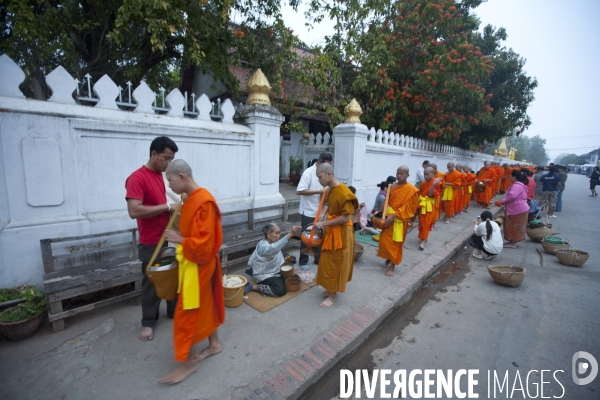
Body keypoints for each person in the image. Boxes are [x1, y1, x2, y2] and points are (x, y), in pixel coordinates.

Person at [160, 159, 224, 384]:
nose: (169, 187)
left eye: (170, 181)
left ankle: (186, 365)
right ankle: (214, 344)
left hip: (200, 264)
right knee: (205, 306)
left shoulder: (203, 202)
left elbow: (204, 246)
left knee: (184, 314)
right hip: (191, 261)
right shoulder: (190, 199)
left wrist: (180, 240)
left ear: (182, 177)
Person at [125, 136, 179, 342]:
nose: (168, 163)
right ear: (153, 154)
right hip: (150, 241)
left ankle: (173, 312)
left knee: (171, 276)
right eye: (166, 158)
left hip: (166, 237)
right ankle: (148, 322)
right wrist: (167, 207)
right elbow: (134, 210)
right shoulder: (137, 178)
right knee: (151, 282)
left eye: (171, 159)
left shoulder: (159, 176)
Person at [313, 163, 358, 308]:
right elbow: (331, 210)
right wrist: (323, 221)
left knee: (336, 263)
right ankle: (329, 288)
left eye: (319, 177)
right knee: (327, 260)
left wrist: (324, 224)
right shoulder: (331, 190)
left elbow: (346, 218)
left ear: (329, 174)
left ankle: (333, 295)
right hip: (332, 230)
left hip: (342, 234)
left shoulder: (344, 192)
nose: (318, 180)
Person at [376, 166, 419, 277]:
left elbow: (409, 207)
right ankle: (389, 257)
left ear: (407, 175)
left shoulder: (411, 189)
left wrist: (394, 215)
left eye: (402, 174)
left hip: (399, 220)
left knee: (396, 244)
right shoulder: (392, 186)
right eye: (398, 173)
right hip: (388, 218)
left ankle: (392, 266)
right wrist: (380, 213)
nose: (399, 176)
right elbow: (387, 201)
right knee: (384, 241)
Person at [296, 152, 333, 270]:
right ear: (318, 162)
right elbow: (299, 191)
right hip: (309, 210)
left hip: (321, 210)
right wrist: (319, 192)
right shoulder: (308, 173)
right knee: (307, 235)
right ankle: (303, 261)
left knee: (319, 234)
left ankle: (317, 258)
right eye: (325, 166)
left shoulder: (326, 173)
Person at [245, 223, 302, 297]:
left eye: (279, 232)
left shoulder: (273, 242)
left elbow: (277, 251)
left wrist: (284, 259)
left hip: (274, 269)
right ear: (268, 234)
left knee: (295, 277)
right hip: (264, 273)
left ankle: (279, 280)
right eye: (276, 233)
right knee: (280, 290)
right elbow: (274, 248)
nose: (279, 235)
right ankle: (252, 286)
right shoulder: (263, 246)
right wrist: (291, 233)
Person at [495, 170, 529, 248]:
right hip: (520, 208)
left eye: (510, 176)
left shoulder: (517, 186)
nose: (509, 177)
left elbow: (512, 196)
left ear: (514, 177)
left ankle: (512, 243)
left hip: (517, 209)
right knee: (515, 225)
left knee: (513, 225)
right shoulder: (520, 185)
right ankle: (512, 242)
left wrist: (502, 202)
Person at [417, 167, 442, 250]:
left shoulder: (438, 183)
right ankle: (424, 236)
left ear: (433, 174)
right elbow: (420, 193)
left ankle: (422, 241)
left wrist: (434, 184)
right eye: (424, 174)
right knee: (421, 222)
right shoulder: (423, 183)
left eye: (427, 174)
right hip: (422, 204)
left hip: (429, 206)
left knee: (426, 222)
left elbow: (431, 194)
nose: (425, 176)